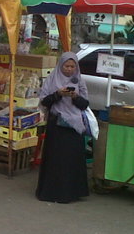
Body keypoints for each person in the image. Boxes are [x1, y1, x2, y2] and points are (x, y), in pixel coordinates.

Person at [36, 51, 90, 203]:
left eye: (72, 66)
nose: (69, 69)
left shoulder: (79, 81)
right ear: (61, 65)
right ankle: (52, 193)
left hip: (74, 126)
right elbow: (45, 101)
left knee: (71, 161)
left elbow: (85, 104)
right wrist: (58, 94)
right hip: (57, 125)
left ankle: (72, 193)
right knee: (56, 160)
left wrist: (75, 97)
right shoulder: (52, 79)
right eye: (66, 66)